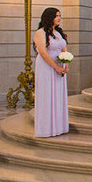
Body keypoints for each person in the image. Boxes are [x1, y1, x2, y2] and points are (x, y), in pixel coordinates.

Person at [33, 7, 69, 137]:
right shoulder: (40, 33)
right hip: (46, 66)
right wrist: (56, 67)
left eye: (59, 15)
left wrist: (66, 64)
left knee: (58, 94)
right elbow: (42, 52)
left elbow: (64, 49)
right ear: (49, 17)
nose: (59, 18)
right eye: (56, 16)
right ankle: (46, 128)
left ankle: (59, 126)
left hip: (59, 65)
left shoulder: (58, 33)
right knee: (47, 94)